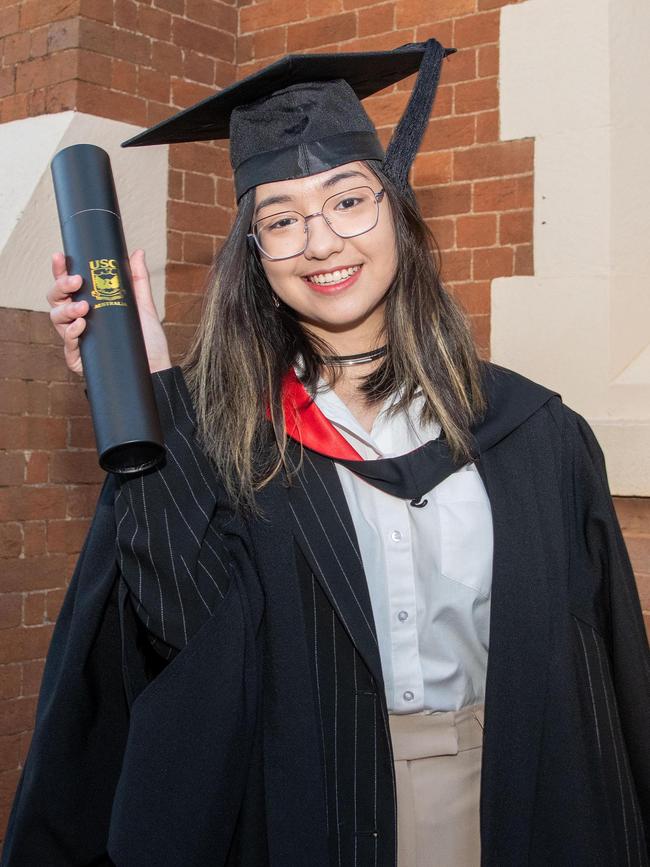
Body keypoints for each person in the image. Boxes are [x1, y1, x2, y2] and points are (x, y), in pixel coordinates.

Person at [2, 39, 649, 867]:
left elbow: (606, 669)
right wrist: (153, 381)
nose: (321, 241)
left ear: (397, 213)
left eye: (348, 201)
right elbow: (184, 638)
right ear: (257, 256)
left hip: (523, 794)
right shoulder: (226, 435)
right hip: (312, 809)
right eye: (281, 219)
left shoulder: (532, 433)